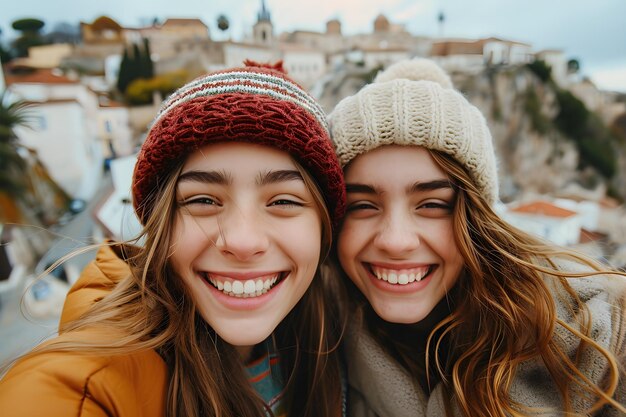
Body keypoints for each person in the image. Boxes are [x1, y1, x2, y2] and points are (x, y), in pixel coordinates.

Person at [0, 61, 346, 417]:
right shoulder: (89, 385)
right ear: (161, 223)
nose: (242, 242)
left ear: (324, 227)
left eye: (284, 201)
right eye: (203, 200)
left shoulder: (338, 331)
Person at [328, 58, 626, 417]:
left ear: (477, 218)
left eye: (432, 205)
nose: (396, 241)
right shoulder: (312, 344)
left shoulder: (603, 337)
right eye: (363, 206)